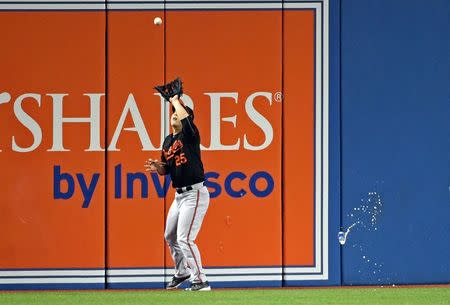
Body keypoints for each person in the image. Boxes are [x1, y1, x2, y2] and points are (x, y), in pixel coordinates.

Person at [144, 95, 211, 291]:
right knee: (170, 236)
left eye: (178, 114)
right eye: (172, 113)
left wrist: (175, 101)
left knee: (185, 239)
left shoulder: (190, 135)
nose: (174, 115)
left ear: (187, 119)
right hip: (179, 196)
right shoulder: (167, 142)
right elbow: (168, 170)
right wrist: (159, 167)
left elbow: (184, 118)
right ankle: (182, 272)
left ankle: (201, 280)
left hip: (195, 193)